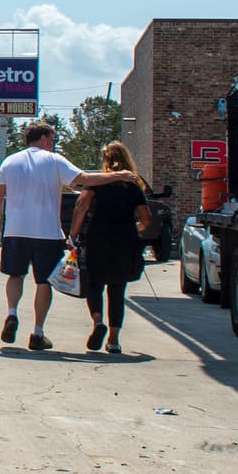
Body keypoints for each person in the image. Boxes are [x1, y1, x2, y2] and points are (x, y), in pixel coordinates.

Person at [0, 122, 140, 350]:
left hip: (15, 231)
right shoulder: (54, 160)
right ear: (45, 138)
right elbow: (85, 179)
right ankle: (37, 333)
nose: (53, 143)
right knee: (43, 282)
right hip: (47, 233)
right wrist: (119, 175)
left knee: (15, 276)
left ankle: (12, 313)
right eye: (53, 139)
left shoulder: (10, 161)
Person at [68, 141, 152, 353]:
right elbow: (146, 219)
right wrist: (134, 229)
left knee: (94, 284)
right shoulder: (133, 185)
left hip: (97, 238)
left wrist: (74, 233)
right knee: (117, 289)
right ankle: (113, 340)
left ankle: (98, 322)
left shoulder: (97, 183)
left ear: (106, 161)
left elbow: (82, 206)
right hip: (125, 240)